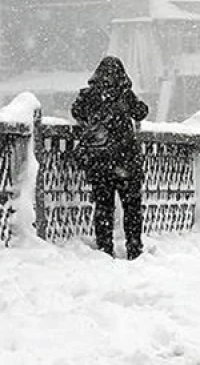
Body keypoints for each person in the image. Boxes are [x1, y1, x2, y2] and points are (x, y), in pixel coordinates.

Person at [71, 56, 150, 259]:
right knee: (132, 208)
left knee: (103, 208)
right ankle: (134, 247)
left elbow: (76, 111)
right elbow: (141, 112)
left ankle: (105, 248)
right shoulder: (124, 95)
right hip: (126, 161)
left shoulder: (89, 95)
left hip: (100, 162)